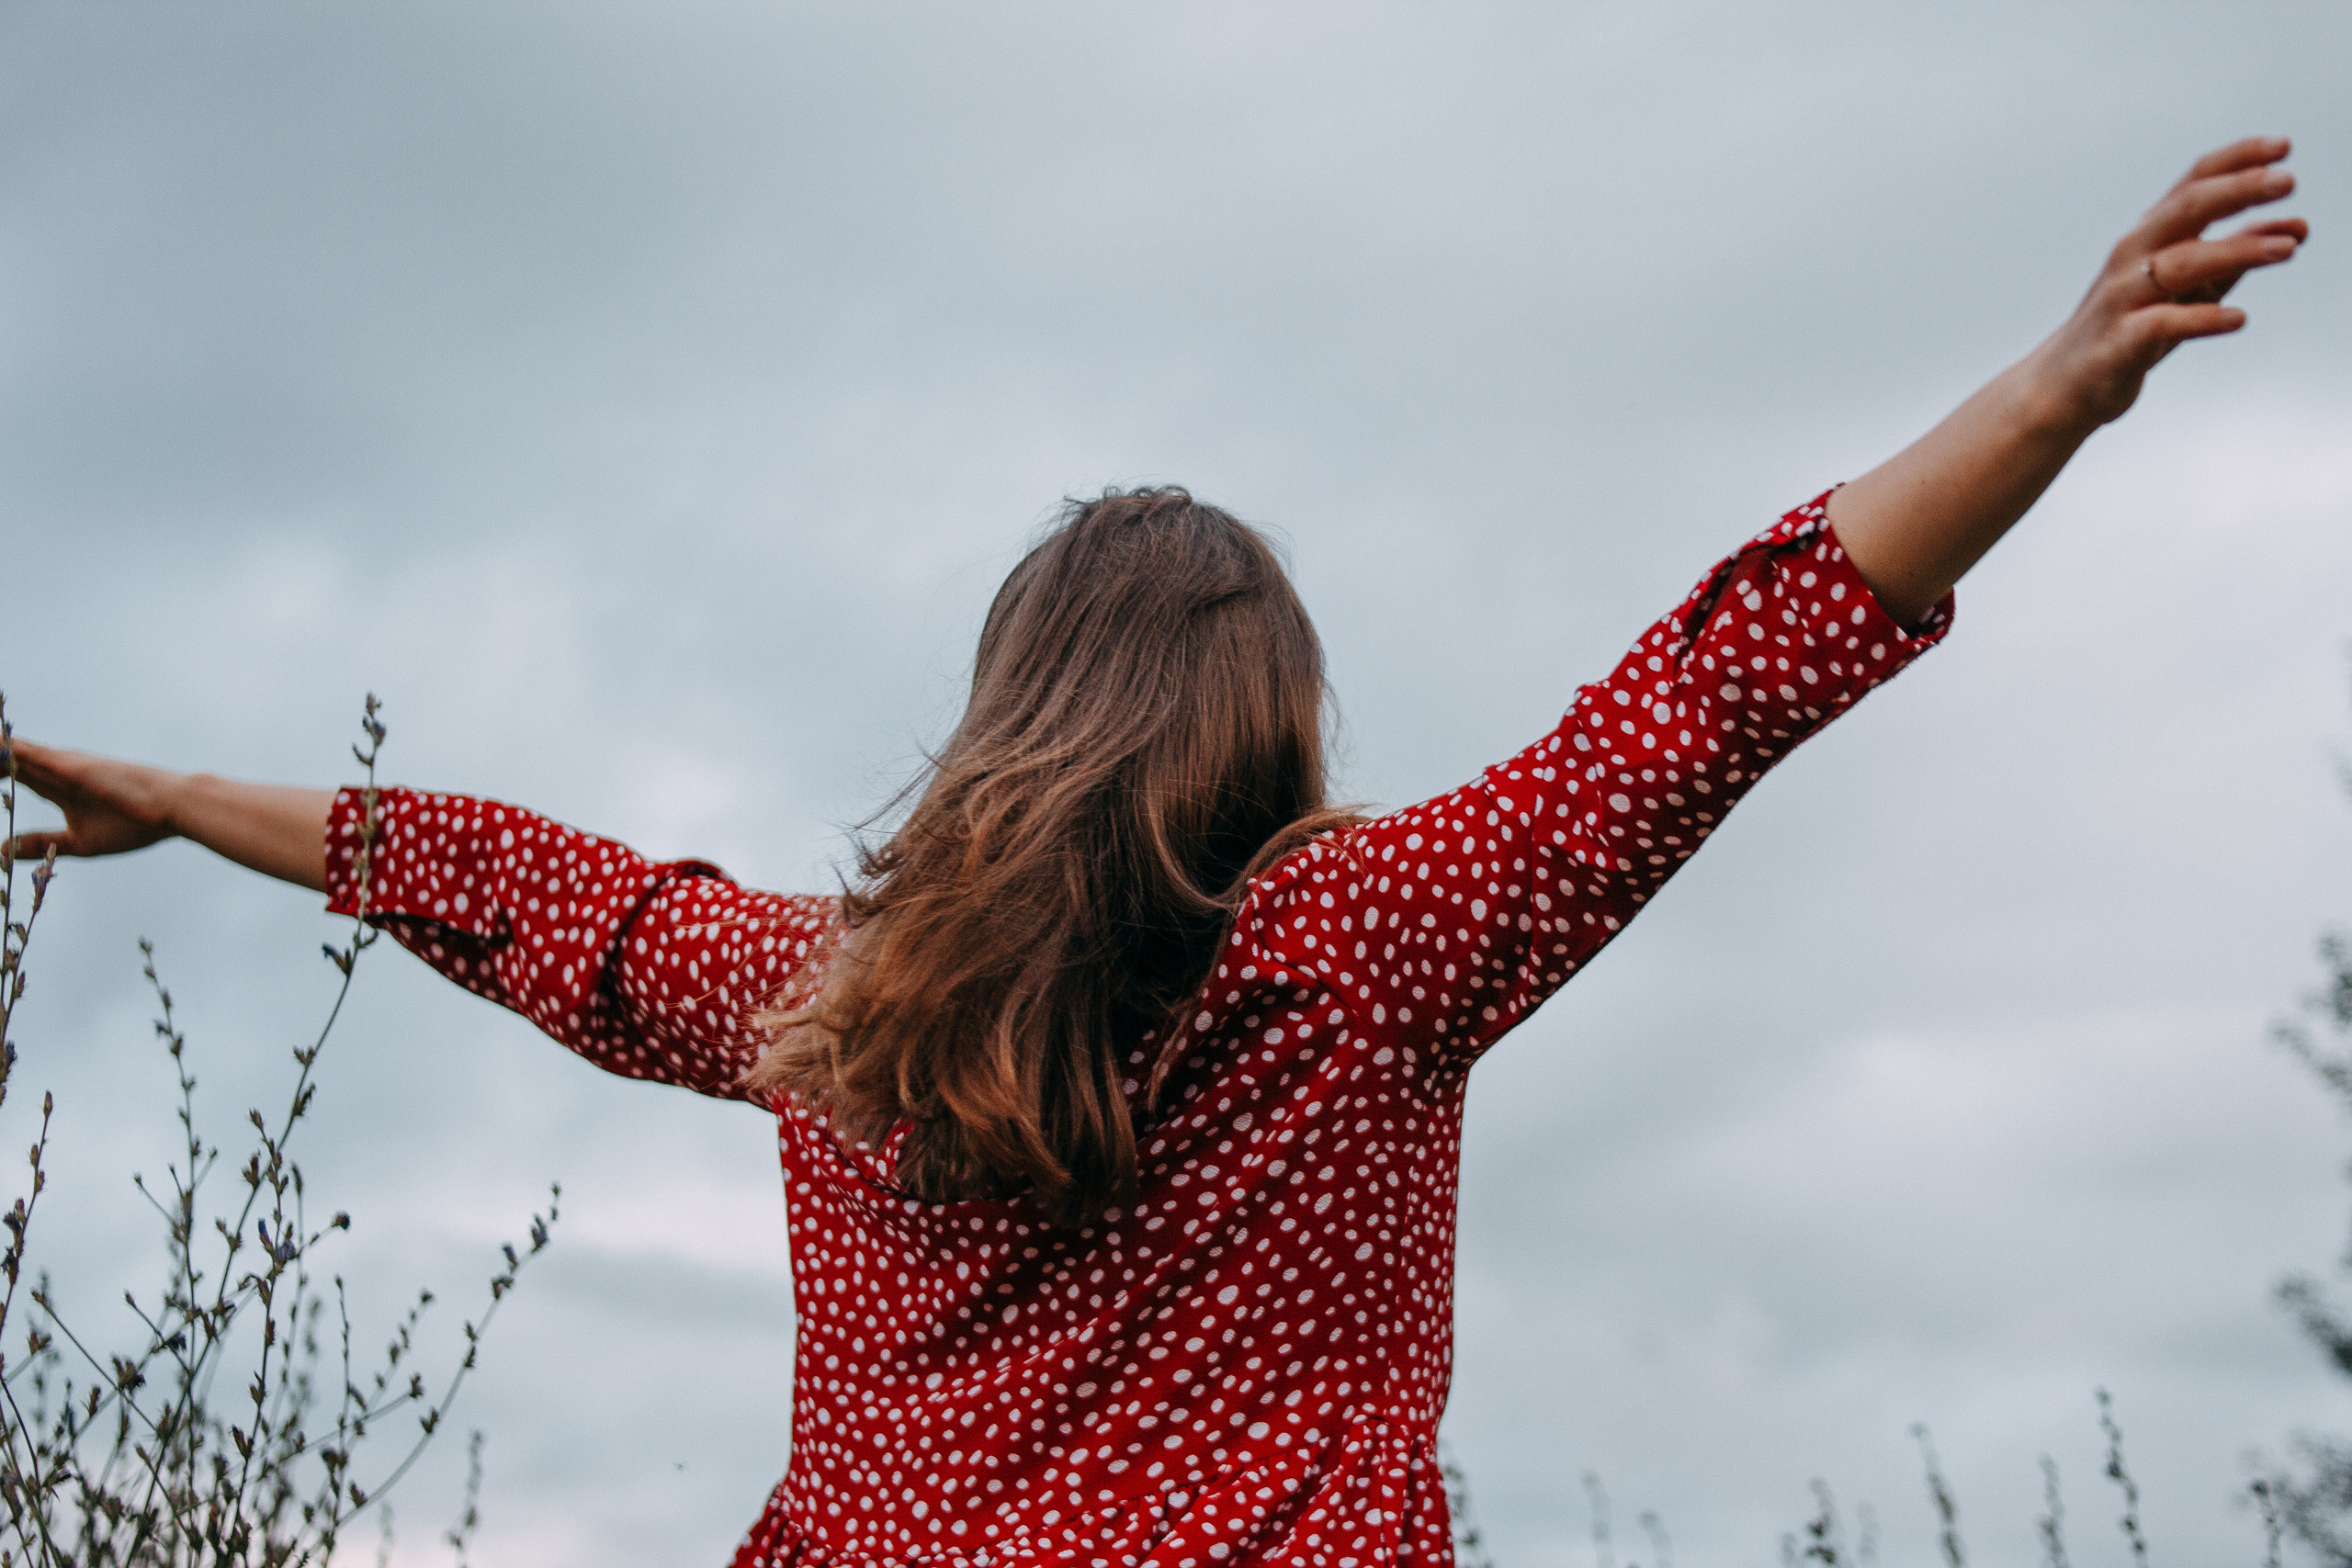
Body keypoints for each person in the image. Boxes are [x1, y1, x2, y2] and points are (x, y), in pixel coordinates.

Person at [6, 138, 2306, 1567]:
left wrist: (181, 795)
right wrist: (2046, 390)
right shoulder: (1369, 939)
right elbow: (1715, 683)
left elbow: (519, 886)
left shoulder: (833, 1001)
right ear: (1266, 721)